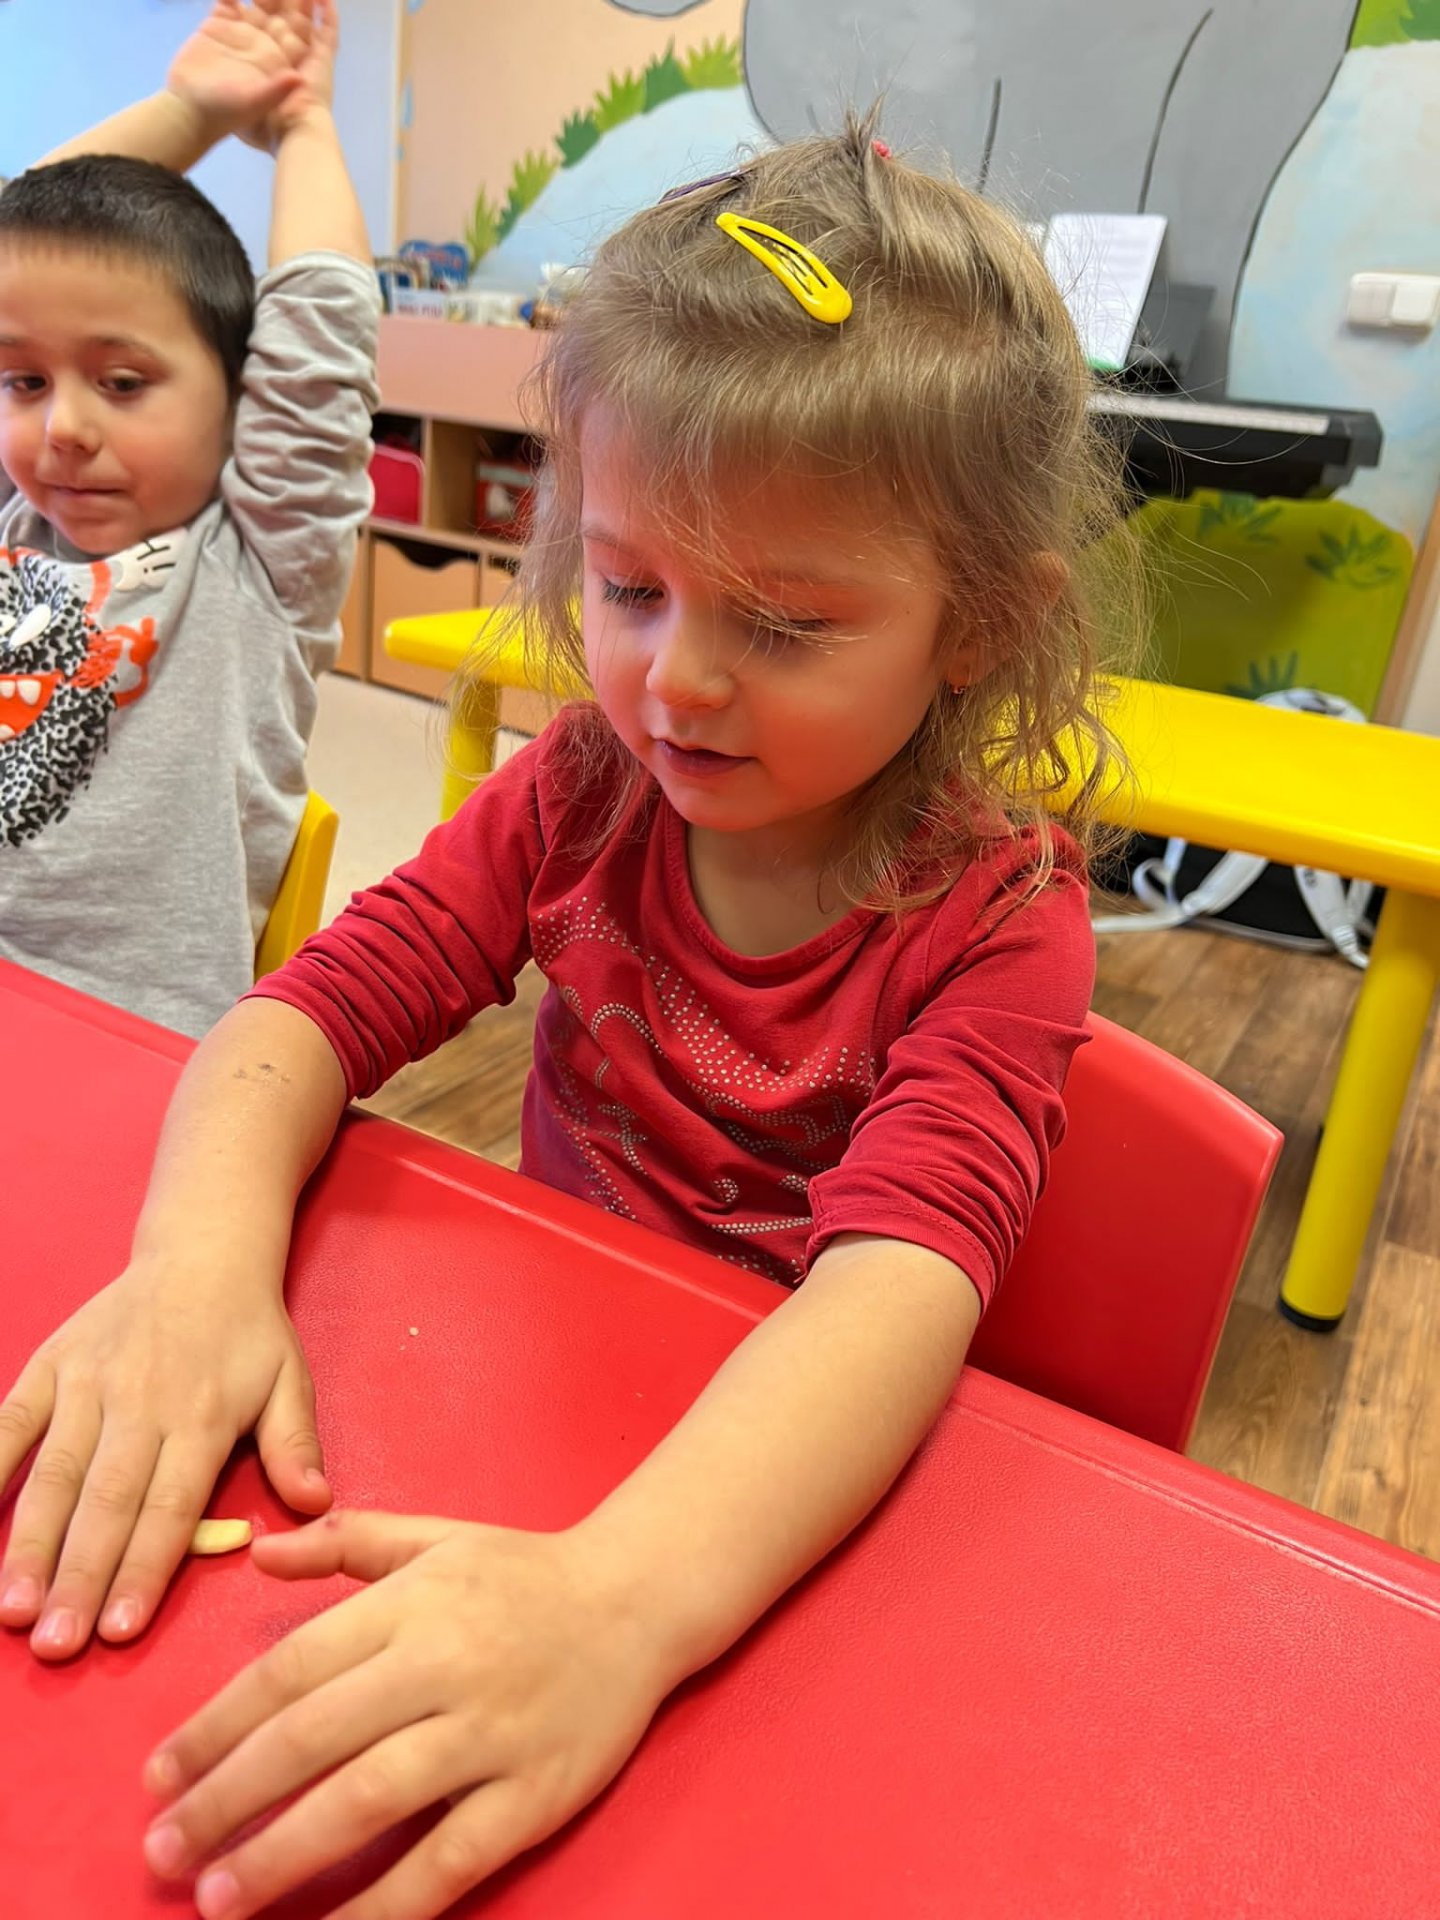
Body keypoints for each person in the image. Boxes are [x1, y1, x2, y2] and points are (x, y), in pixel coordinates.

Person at [0, 120, 1140, 1917]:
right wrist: (196, 1270)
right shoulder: (585, 790)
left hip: (756, 1502)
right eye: (629, 588)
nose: (675, 681)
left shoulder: (1002, 919)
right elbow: (304, 1013)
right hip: (539, 1405)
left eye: (783, 623)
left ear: (983, 622)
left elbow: (899, 1287)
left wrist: (617, 1607)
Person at [0, 0, 377, 1036]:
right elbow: (19, 253)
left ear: (243, 400)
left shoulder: (258, 566)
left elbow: (325, 336)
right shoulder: (14, 517)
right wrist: (189, 109)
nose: (63, 429)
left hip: (123, 1039)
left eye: (122, 382)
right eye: (25, 382)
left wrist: (303, 122)